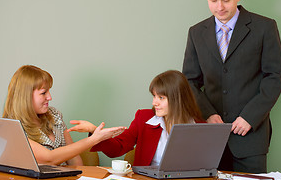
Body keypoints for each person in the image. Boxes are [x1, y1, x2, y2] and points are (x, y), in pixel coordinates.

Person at [182, 0, 281, 173]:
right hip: (210, 137)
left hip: (250, 137)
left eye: (226, 0)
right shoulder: (196, 32)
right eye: (213, 0)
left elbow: (275, 76)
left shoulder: (264, 27)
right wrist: (208, 114)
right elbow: (189, 81)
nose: (219, 7)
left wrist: (250, 116)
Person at [67, 70, 205, 166]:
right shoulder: (144, 118)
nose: (154, 103)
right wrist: (94, 131)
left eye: (161, 98)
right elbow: (118, 148)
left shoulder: (200, 126)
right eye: (154, 96)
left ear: (178, 98)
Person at [3, 65, 126, 166]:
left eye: (49, 91)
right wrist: (94, 139)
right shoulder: (12, 127)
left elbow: (74, 159)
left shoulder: (54, 114)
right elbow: (49, 158)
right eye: (43, 93)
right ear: (25, 96)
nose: (49, 97)